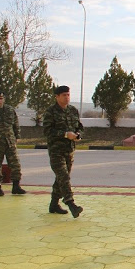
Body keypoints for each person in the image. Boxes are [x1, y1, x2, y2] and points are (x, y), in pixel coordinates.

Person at [43, 85, 84, 217]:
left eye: (68, 95)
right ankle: (71, 204)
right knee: (63, 177)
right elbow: (47, 131)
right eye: (64, 95)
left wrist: (78, 135)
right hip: (56, 151)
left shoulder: (73, 110)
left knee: (61, 178)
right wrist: (66, 134)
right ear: (57, 97)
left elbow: (79, 126)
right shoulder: (51, 111)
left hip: (69, 150)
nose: (67, 97)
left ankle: (54, 204)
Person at [0, 91, 25, 196]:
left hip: (10, 142)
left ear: (4, 99)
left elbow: (15, 124)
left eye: (1, 98)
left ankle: (16, 186)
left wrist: (17, 136)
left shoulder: (10, 110)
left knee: (15, 164)